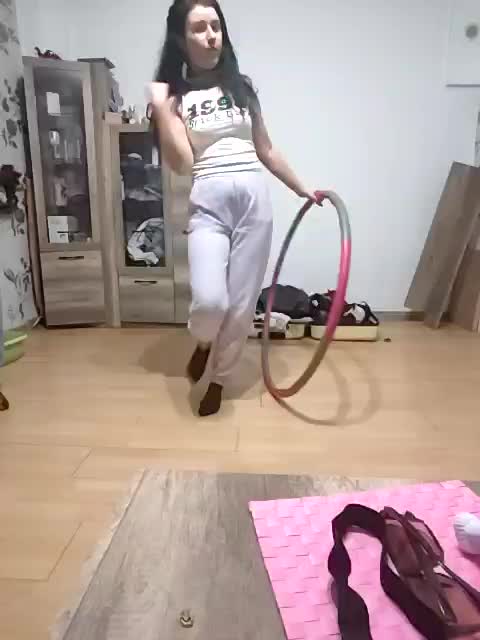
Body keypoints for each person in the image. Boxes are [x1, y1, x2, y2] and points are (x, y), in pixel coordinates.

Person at [151, 0, 315, 416]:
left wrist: (303, 189)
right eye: (199, 28)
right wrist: (162, 111)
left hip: (254, 207)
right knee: (210, 303)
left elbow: (266, 149)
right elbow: (183, 163)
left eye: (216, 26)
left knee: (241, 308)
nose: (211, 36)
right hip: (208, 206)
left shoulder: (242, 87)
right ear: (181, 39)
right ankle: (204, 340)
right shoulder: (176, 100)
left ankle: (219, 380)